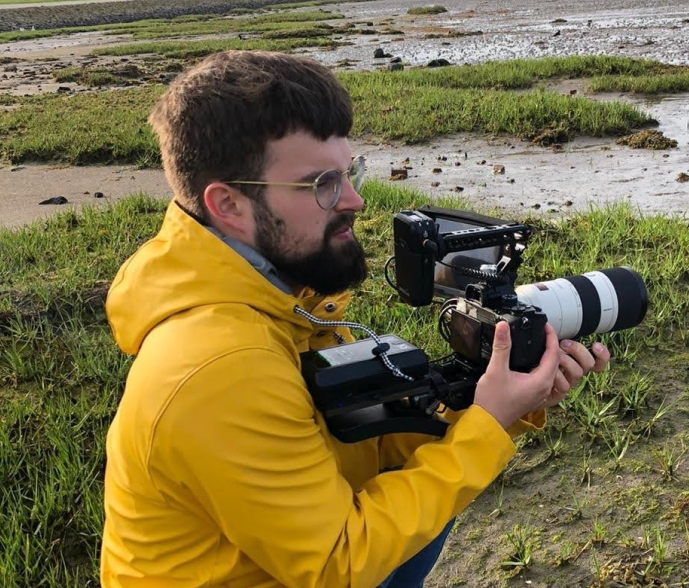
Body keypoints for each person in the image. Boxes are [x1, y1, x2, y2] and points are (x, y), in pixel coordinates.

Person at [100, 50, 610, 588]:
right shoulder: (220, 366)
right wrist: (485, 428)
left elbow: (360, 444)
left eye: (349, 172)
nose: (355, 200)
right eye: (322, 184)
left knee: (424, 506)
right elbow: (337, 567)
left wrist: (495, 402)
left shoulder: (278, 296)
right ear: (228, 205)